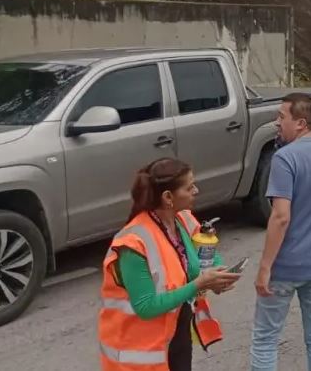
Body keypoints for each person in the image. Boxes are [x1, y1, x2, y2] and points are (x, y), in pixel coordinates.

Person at [98, 157, 241, 371]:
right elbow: (146, 307)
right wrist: (199, 284)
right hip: (139, 354)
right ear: (168, 197)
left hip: (175, 337)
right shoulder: (132, 245)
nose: (196, 190)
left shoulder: (183, 219)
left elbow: (202, 259)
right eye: (189, 187)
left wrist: (217, 278)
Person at [250, 93, 311, 371]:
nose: (276, 123)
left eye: (282, 117)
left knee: (265, 339)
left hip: (287, 265)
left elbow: (280, 217)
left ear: (301, 123)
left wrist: (265, 267)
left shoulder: (284, 158)